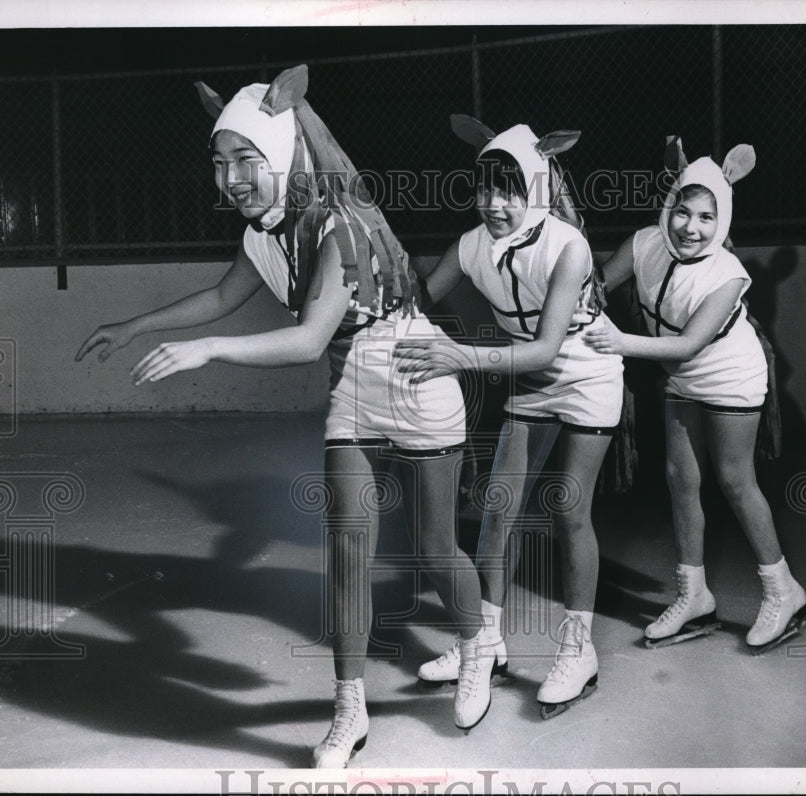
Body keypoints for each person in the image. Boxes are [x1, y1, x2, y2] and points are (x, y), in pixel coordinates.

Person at [75, 66, 493, 767]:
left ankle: (479, 644)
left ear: (284, 153)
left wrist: (206, 351)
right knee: (349, 551)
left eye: (245, 159)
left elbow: (304, 340)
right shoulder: (266, 232)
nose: (229, 176)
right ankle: (348, 707)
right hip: (355, 389)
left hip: (419, 382)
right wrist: (133, 325)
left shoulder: (340, 226)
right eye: (218, 160)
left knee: (433, 545)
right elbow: (218, 297)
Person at [395, 117, 624, 719]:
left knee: (569, 508)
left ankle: (579, 650)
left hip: (585, 369)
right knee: (499, 508)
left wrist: (458, 355)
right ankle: (487, 641)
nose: (495, 205)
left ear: (539, 188)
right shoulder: (472, 245)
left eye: (511, 190)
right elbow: (419, 297)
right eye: (485, 189)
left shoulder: (567, 246)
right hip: (528, 377)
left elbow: (549, 347)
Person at [586, 137, 806, 654]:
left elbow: (688, 344)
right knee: (680, 480)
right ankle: (694, 596)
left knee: (734, 481)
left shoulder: (729, 274)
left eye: (707, 217)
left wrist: (619, 343)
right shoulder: (644, 242)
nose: (691, 227)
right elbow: (596, 286)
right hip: (681, 377)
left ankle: (784, 591)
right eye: (684, 212)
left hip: (730, 373)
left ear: (723, 219)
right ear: (669, 207)